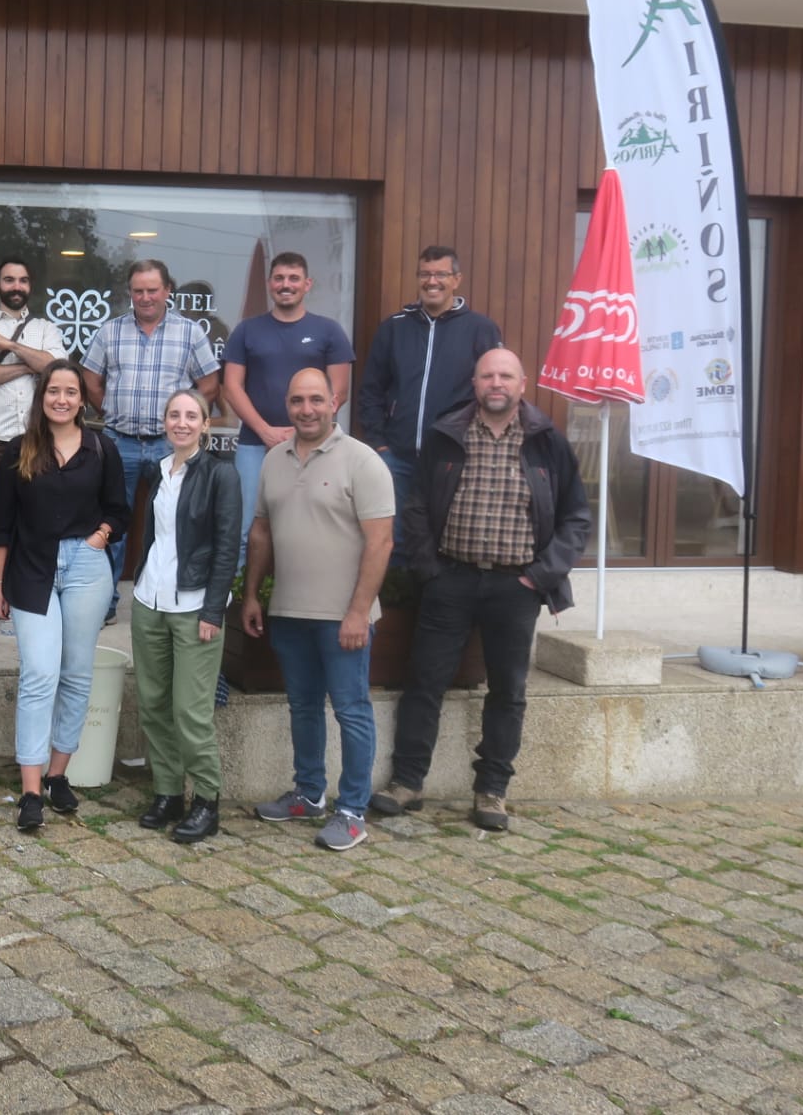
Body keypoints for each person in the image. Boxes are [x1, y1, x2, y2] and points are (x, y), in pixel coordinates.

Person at [372, 349, 591, 832]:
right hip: (451, 579)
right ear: (474, 383)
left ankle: (491, 789)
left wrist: (541, 576)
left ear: (522, 383)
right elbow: (417, 506)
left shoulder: (547, 440)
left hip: (517, 586)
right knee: (424, 683)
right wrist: (430, 568)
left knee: (508, 691)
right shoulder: (447, 434)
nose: (496, 382)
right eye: (488, 375)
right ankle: (407, 782)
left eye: (505, 375)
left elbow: (576, 517)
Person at [241, 369, 394, 852]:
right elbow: (261, 533)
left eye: (316, 400)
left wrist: (358, 612)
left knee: (351, 711)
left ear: (334, 403)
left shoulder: (363, 461)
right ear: (287, 405)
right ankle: (308, 795)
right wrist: (251, 595)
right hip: (289, 612)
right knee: (303, 707)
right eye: (297, 401)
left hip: (342, 618)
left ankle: (352, 811)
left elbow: (381, 542)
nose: (306, 409)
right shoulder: (274, 459)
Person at [0, 361, 128, 833]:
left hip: (88, 567)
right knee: (39, 674)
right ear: (42, 397)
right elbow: (2, 526)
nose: (62, 399)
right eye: (54, 391)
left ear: (82, 400)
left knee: (75, 674)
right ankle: (30, 791)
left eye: (71, 392)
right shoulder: (18, 450)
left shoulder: (102, 448)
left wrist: (101, 535)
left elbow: (119, 511)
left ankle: (57, 775)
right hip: (32, 568)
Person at [125, 389, 241, 844]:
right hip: (150, 600)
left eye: (192, 415)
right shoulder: (158, 471)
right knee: (153, 704)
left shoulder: (220, 475)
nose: (182, 422)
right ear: (165, 421)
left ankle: (207, 800)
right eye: (174, 415)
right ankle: (168, 792)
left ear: (205, 424)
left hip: (195, 608)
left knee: (190, 711)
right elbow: (154, 536)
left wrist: (214, 608)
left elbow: (228, 546)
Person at [81, 260, 222, 593]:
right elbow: (90, 379)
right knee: (111, 526)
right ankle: (105, 600)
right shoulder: (110, 330)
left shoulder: (189, 332)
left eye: (152, 290)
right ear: (130, 292)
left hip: (169, 445)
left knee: (173, 522)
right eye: (138, 291)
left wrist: (183, 424)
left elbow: (211, 385)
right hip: (118, 442)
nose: (145, 297)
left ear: (167, 291)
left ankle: (167, 595)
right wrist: (111, 410)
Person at [358, 245, 503, 550]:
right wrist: (379, 443)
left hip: (452, 457)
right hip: (397, 456)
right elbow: (371, 389)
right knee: (392, 539)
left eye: (440, 274)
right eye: (425, 274)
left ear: (456, 279)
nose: (431, 281)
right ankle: (397, 596)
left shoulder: (481, 329)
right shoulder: (394, 328)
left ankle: (436, 599)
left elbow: (494, 389)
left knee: (446, 537)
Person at [221, 252, 355, 555]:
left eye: (293, 278)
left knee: (309, 525)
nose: (286, 284)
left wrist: (301, 433)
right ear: (270, 284)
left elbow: (339, 393)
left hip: (314, 446)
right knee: (247, 528)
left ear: (307, 284)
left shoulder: (329, 331)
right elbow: (231, 387)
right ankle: (247, 598)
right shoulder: (247, 330)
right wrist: (266, 431)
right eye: (279, 278)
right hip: (255, 445)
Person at [0, 257, 68, 625]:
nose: (16, 286)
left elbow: (58, 370)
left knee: (37, 515)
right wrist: (30, 365)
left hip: (37, 438)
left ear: (30, 286)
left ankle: (31, 587)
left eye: (23, 280)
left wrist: (9, 345)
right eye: (9, 280)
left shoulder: (45, 328)